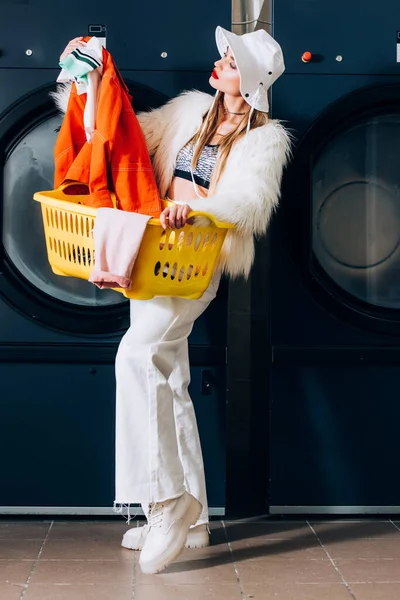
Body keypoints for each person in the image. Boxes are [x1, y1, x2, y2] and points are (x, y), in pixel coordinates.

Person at [57, 25, 291, 575]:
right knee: (170, 377)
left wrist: (202, 209)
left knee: (137, 357)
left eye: (230, 60)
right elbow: (124, 134)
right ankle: (199, 519)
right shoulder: (189, 111)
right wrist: (87, 82)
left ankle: (166, 504)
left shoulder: (265, 138)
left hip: (193, 261)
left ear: (251, 80)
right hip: (151, 252)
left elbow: (250, 201)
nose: (219, 61)